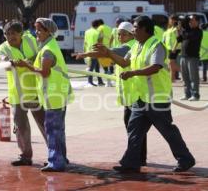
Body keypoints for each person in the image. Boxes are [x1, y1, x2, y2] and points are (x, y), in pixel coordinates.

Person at [82, 16, 196, 173]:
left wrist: (132, 73)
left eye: (135, 28)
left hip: (157, 98)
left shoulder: (156, 45)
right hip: (141, 98)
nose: (133, 31)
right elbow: (124, 63)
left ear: (144, 29)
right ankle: (131, 162)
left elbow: (155, 67)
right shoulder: (136, 45)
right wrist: (108, 53)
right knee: (134, 129)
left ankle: (185, 159)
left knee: (167, 130)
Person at [76, 21, 147, 166]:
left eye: (123, 34)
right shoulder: (129, 46)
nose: (119, 37)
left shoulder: (128, 47)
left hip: (134, 94)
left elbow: (105, 52)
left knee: (134, 128)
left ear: (131, 35)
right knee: (136, 129)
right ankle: (139, 157)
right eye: (118, 34)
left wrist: (85, 54)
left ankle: (135, 158)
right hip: (129, 94)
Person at [14, 18, 73, 172]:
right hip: (57, 95)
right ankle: (60, 159)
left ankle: (56, 162)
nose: (37, 33)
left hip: (54, 96)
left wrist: (27, 65)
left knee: (53, 130)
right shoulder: (48, 46)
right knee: (57, 130)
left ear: (48, 31)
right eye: (36, 29)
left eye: (40, 30)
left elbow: (45, 72)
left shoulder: (47, 50)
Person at [0, 20, 46, 166]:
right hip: (17, 94)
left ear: (21, 34)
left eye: (14, 33)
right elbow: (3, 61)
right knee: (21, 126)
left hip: (35, 91)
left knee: (44, 123)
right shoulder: (2, 49)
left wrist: (29, 61)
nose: (11, 37)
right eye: (8, 34)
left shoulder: (31, 40)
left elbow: (41, 54)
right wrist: (10, 61)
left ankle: (55, 154)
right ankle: (25, 156)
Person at [177, 14, 203, 101]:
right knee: (185, 77)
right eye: (189, 21)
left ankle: (195, 95)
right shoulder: (187, 31)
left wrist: (183, 30)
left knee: (193, 77)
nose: (190, 22)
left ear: (197, 21)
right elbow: (179, 39)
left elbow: (188, 36)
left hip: (193, 57)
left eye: (192, 20)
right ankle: (187, 94)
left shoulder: (198, 31)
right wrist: (180, 29)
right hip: (183, 56)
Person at [84, 20, 104, 87]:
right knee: (92, 67)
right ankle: (90, 81)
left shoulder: (87, 32)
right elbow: (100, 42)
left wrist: (84, 51)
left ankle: (100, 81)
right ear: (98, 25)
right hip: (95, 51)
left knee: (97, 67)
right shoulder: (99, 32)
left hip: (89, 50)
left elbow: (85, 42)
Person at [162, 15, 180, 82]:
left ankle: (184, 71)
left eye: (173, 20)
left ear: (176, 21)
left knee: (171, 64)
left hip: (175, 48)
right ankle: (172, 79)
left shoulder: (176, 28)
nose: (171, 21)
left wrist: (174, 48)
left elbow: (179, 39)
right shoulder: (169, 29)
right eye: (170, 20)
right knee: (171, 65)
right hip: (169, 48)